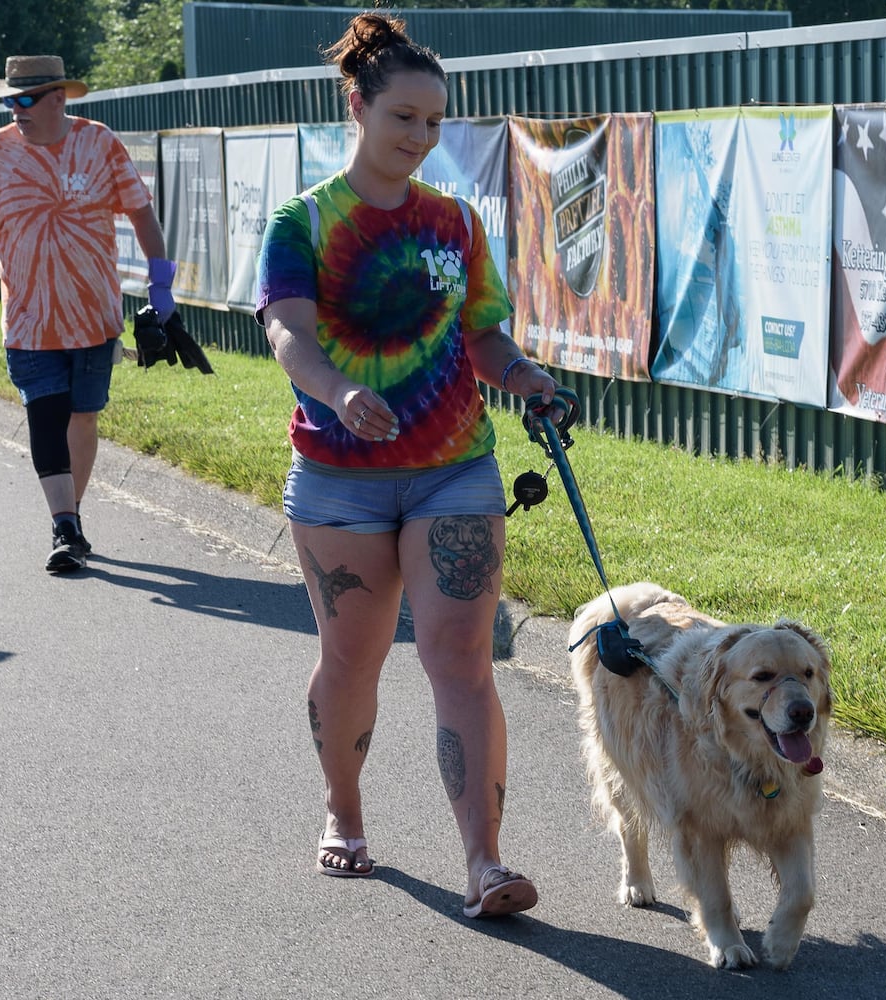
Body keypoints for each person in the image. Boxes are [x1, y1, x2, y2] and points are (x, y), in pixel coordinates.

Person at [255, 12, 562, 919]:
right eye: (404, 120)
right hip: (338, 479)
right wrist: (339, 393)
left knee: (462, 657)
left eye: (435, 124)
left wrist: (527, 376)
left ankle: (485, 863)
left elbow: (482, 335)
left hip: (454, 470)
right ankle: (344, 813)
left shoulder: (457, 224)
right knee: (353, 660)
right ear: (358, 106)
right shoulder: (303, 222)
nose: (422, 140)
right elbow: (285, 334)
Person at [0, 54, 175, 574]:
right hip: (29, 321)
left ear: (59, 98)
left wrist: (161, 280)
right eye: (10, 100)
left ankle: (71, 517)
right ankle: (64, 525)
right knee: (46, 414)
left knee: (84, 414)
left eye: (27, 99)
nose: (16, 109)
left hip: (95, 317)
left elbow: (141, 210)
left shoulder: (99, 143)